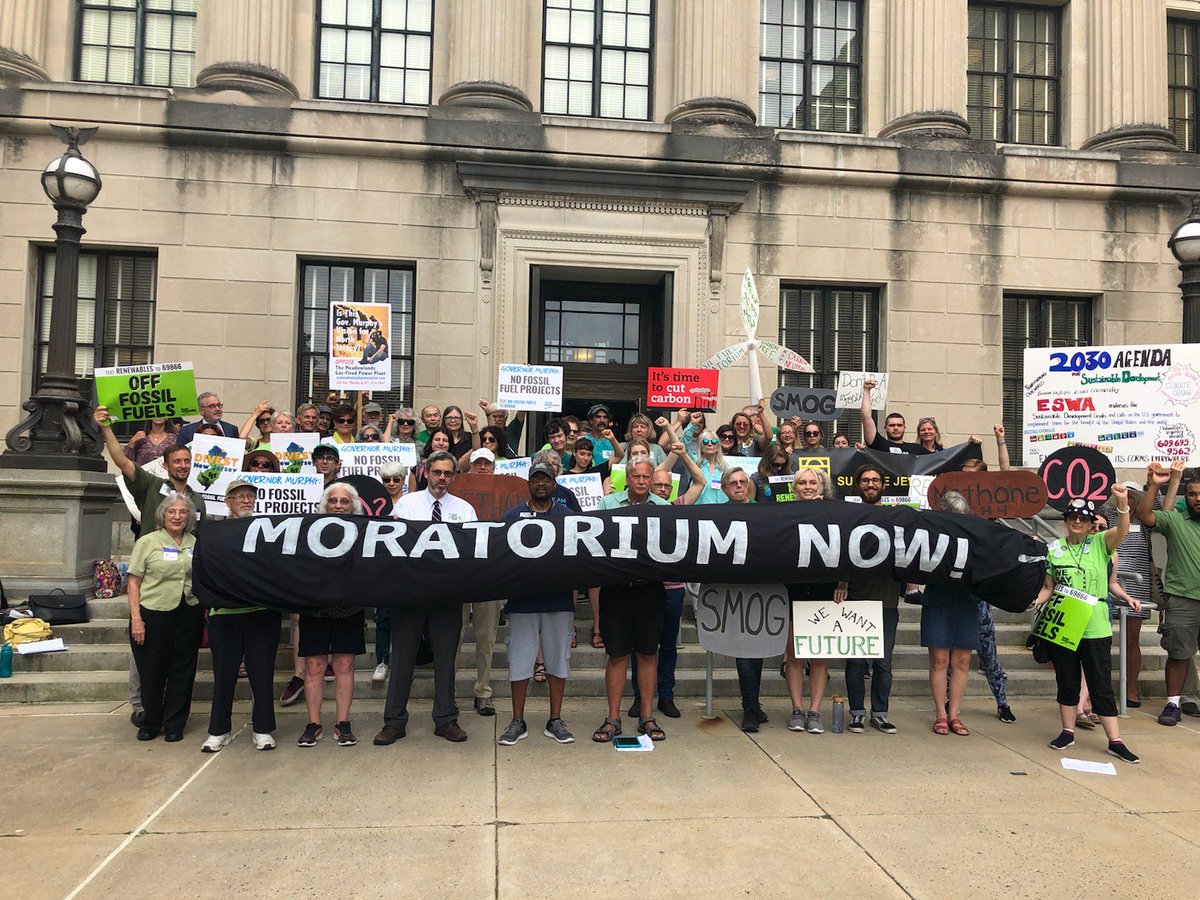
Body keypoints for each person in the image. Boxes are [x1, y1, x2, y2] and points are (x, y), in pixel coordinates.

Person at [375, 450, 477, 745]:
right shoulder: (406, 504)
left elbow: (472, 550)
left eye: (447, 473)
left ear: (453, 477)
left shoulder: (465, 509)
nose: (442, 478)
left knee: (446, 660)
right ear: (426, 473)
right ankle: (394, 722)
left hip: (447, 595)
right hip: (409, 594)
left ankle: (446, 719)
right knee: (402, 659)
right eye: (437, 472)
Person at [1037, 489, 1139, 763]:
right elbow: (1048, 586)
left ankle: (1115, 740)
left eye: (1083, 518)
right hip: (1064, 623)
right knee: (1066, 679)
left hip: (1095, 625)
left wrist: (1122, 503)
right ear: (1065, 520)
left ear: (1090, 522)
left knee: (1100, 682)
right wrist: (1035, 601)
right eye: (1072, 516)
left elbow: (1122, 531)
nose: (1077, 521)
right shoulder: (1054, 549)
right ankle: (1067, 731)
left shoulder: (1100, 543)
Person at [497, 461, 577, 746]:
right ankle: (517, 720)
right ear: (528, 484)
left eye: (546, 479)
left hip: (558, 599)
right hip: (522, 601)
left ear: (554, 484)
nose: (540, 483)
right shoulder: (511, 516)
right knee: (519, 662)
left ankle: (555, 719)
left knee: (558, 661)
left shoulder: (568, 517)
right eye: (535, 479)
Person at [592, 459, 670, 744]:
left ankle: (647, 716)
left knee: (648, 654)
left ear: (652, 480)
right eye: (635, 476)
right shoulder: (608, 504)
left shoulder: (664, 508)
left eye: (645, 477)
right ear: (627, 479)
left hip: (650, 590)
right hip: (616, 590)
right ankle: (613, 718)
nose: (641, 481)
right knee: (617, 655)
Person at [202, 480, 282, 752]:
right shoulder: (214, 534)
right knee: (224, 675)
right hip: (225, 615)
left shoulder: (267, 531)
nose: (246, 500)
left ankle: (263, 729)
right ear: (228, 502)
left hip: (261, 614)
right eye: (239, 496)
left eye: (250, 496)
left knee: (262, 673)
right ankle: (218, 731)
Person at [296, 482, 368, 748]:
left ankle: (342, 723)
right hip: (314, 607)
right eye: (333, 501)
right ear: (325, 504)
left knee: (345, 665)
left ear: (353, 506)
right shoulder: (307, 530)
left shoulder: (364, 531)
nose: (338, 505)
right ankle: (313, 724)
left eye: (344, 501)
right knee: (314, 666)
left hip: (349, 607)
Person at [127, 493, 203, 742]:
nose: (177, 517)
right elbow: (133, 582)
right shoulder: (147, 542)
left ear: (189, 517)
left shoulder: (195, 543)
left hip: (188, 611)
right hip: (153, 613)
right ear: (163, 515)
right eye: (172, 512)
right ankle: (151, 722)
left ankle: (175, 723)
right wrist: (136, 619)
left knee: (183, 670)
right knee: (152, 670)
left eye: (183, 512)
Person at [1137, 464, 1200, 727]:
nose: (1198, 498)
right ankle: (1173, 704)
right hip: (1182, 599)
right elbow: (1145, 515)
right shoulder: (1176, 521)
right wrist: (1155, 485)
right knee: (1178, 655)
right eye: (1193, 494)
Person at [784, 467, 843, 734]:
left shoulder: (834, 513)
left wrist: (843, 582)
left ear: (821, 487)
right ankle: (797, 709)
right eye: (802, 483)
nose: (807, 486)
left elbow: (846, 546)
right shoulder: (783, 514)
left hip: (823, 590)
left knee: (819, 657)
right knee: (794, 656)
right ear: (794, 488)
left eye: (812, 482)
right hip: (793, 589)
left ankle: (815, 711)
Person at [844, 465, 901, 734]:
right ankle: (856, 713)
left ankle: (880, 713)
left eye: (875, 480)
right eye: (865, 480)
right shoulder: (849, 517)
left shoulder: (896, 517)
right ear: (858, 485)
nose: (870, 484)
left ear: (883, 485)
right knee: (856, 661)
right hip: (857, 599)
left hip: (887, 600)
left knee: (883, 662)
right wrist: (842, 582)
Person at [921, 491, 982, 737]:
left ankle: (954, 713)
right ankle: (941, 713)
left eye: (962, 516)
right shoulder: (931, 535)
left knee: (962, 661)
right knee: (939, 660)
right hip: (938, 599)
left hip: (966, 600)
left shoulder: (976, 536)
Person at [372, 461, 410, 684]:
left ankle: (405, 661)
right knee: (383, 616)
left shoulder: (412, 502)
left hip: (407, 567)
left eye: (396, 479)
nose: (392, 483)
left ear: (404, 480)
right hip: (383, 566)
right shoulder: (375, 505)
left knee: (407, 618)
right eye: (387, 479)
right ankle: (382, 661)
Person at [859, 379, 925, 454]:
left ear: (904, 428)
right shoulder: (879, 444)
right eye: (892, 425)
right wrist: (866, 390)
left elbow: (935, 458)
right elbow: (866, 418)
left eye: (899, 425)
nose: (896, 428)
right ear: (885, 428)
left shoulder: (917, 449)